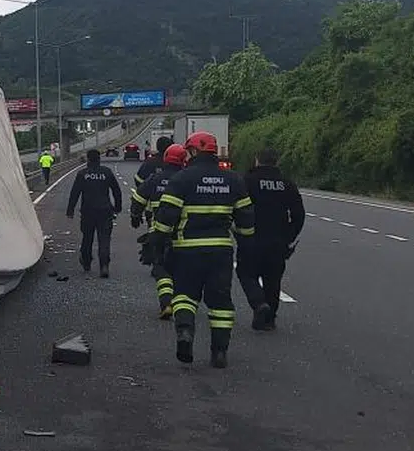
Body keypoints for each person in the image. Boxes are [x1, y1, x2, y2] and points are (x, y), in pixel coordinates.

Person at [150, 131, 255, 368]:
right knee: (220, 302)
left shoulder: (182, 178)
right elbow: (246, 218)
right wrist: (247, 245)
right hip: (221, 252)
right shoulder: (233, 180)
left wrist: (158, 243)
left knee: (184, 296)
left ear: (194, 151)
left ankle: (185, 333)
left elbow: (166, 216)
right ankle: (219, 352)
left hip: (187, 250)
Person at [237, 147, 305, 330]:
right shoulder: (287, 184)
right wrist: (288, 236)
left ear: (257, 160)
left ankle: (259, 304)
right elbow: (299, 214)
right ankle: (269, 319)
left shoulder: (247, 181)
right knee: (273, 280)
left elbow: (237, 208)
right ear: (277, 161)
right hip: (278, 241)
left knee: (246, 273)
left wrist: (239, 232)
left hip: (252, 238)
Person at [130, 143, 188, 318]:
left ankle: (166, 302)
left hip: (159, 230)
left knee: (160, 266)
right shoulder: (188, 178)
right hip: (185, 233)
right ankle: (182, 304)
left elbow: (138, 197)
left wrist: (135, 216)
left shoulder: (155, 179)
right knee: (181, 268)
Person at [66, 148, 123, 277]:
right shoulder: (107, 172)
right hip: (105, 211)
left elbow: (75, 193)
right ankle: (104, 265)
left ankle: (86, 261)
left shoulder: (82, 174)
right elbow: (116, 191)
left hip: (88, 211)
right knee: (104, 238)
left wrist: (70, 210)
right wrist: (117, 207)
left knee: (87, 237)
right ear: (99, 159)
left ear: (88, 160)